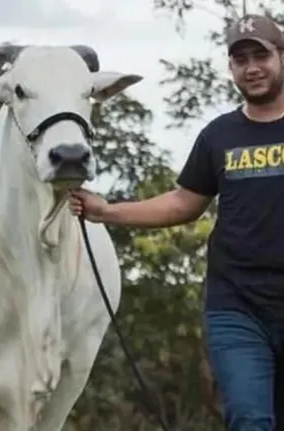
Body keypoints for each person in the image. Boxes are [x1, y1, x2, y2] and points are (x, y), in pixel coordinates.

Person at [70, 13, 284, 431]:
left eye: (261, 55)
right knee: (249, 418)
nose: (252, 67)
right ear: (231, 68)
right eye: (240, 59)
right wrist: (106, 211)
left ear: (283, 57)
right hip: (238, 306)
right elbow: (184, 202)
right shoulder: (219, 136)